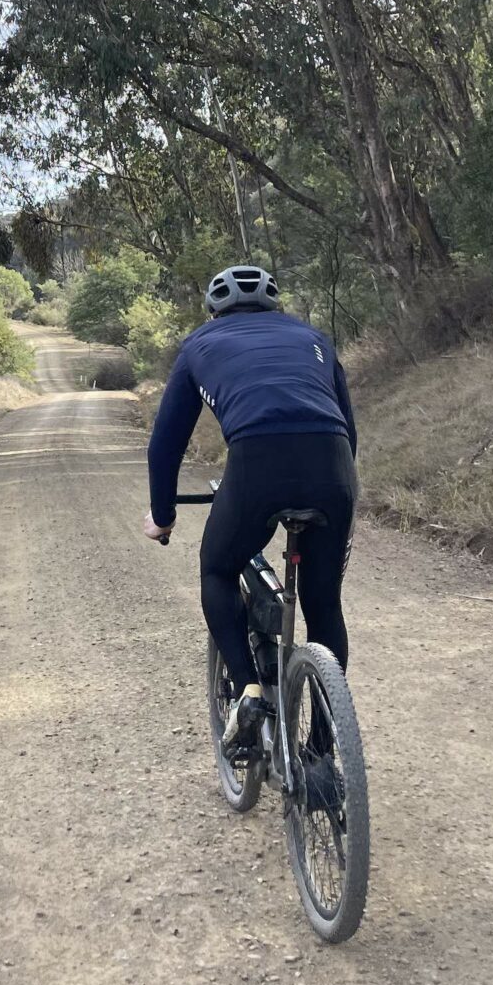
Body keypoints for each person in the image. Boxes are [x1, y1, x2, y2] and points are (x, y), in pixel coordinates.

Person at [142, 265, 358, 767]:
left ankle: (249, 692)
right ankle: (325, 747)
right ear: (274, 307)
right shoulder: (312, 337)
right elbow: (348, 427)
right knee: (323, 604)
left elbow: (165, 445)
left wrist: (163, 516)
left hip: (256, 464)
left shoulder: (199, 344)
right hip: (333, 465)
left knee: (217, 568)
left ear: (214, 311)